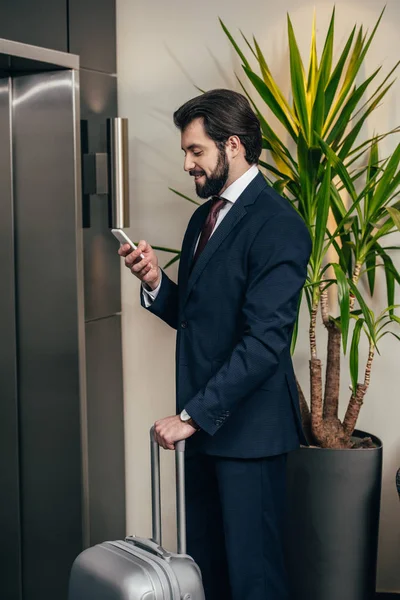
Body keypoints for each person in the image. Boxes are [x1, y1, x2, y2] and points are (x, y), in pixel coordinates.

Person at [119, 89, 312, 600]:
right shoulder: (203, 219)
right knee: (211, 573)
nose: (187, 164)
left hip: (247, 437)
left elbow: (264, 343)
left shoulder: (279, 224)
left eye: (196, 151)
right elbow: (201, 320)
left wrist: (191, 416)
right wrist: (157, 281)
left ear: (233, 146)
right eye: (186, 152)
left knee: (256, 581)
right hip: (204, 431)